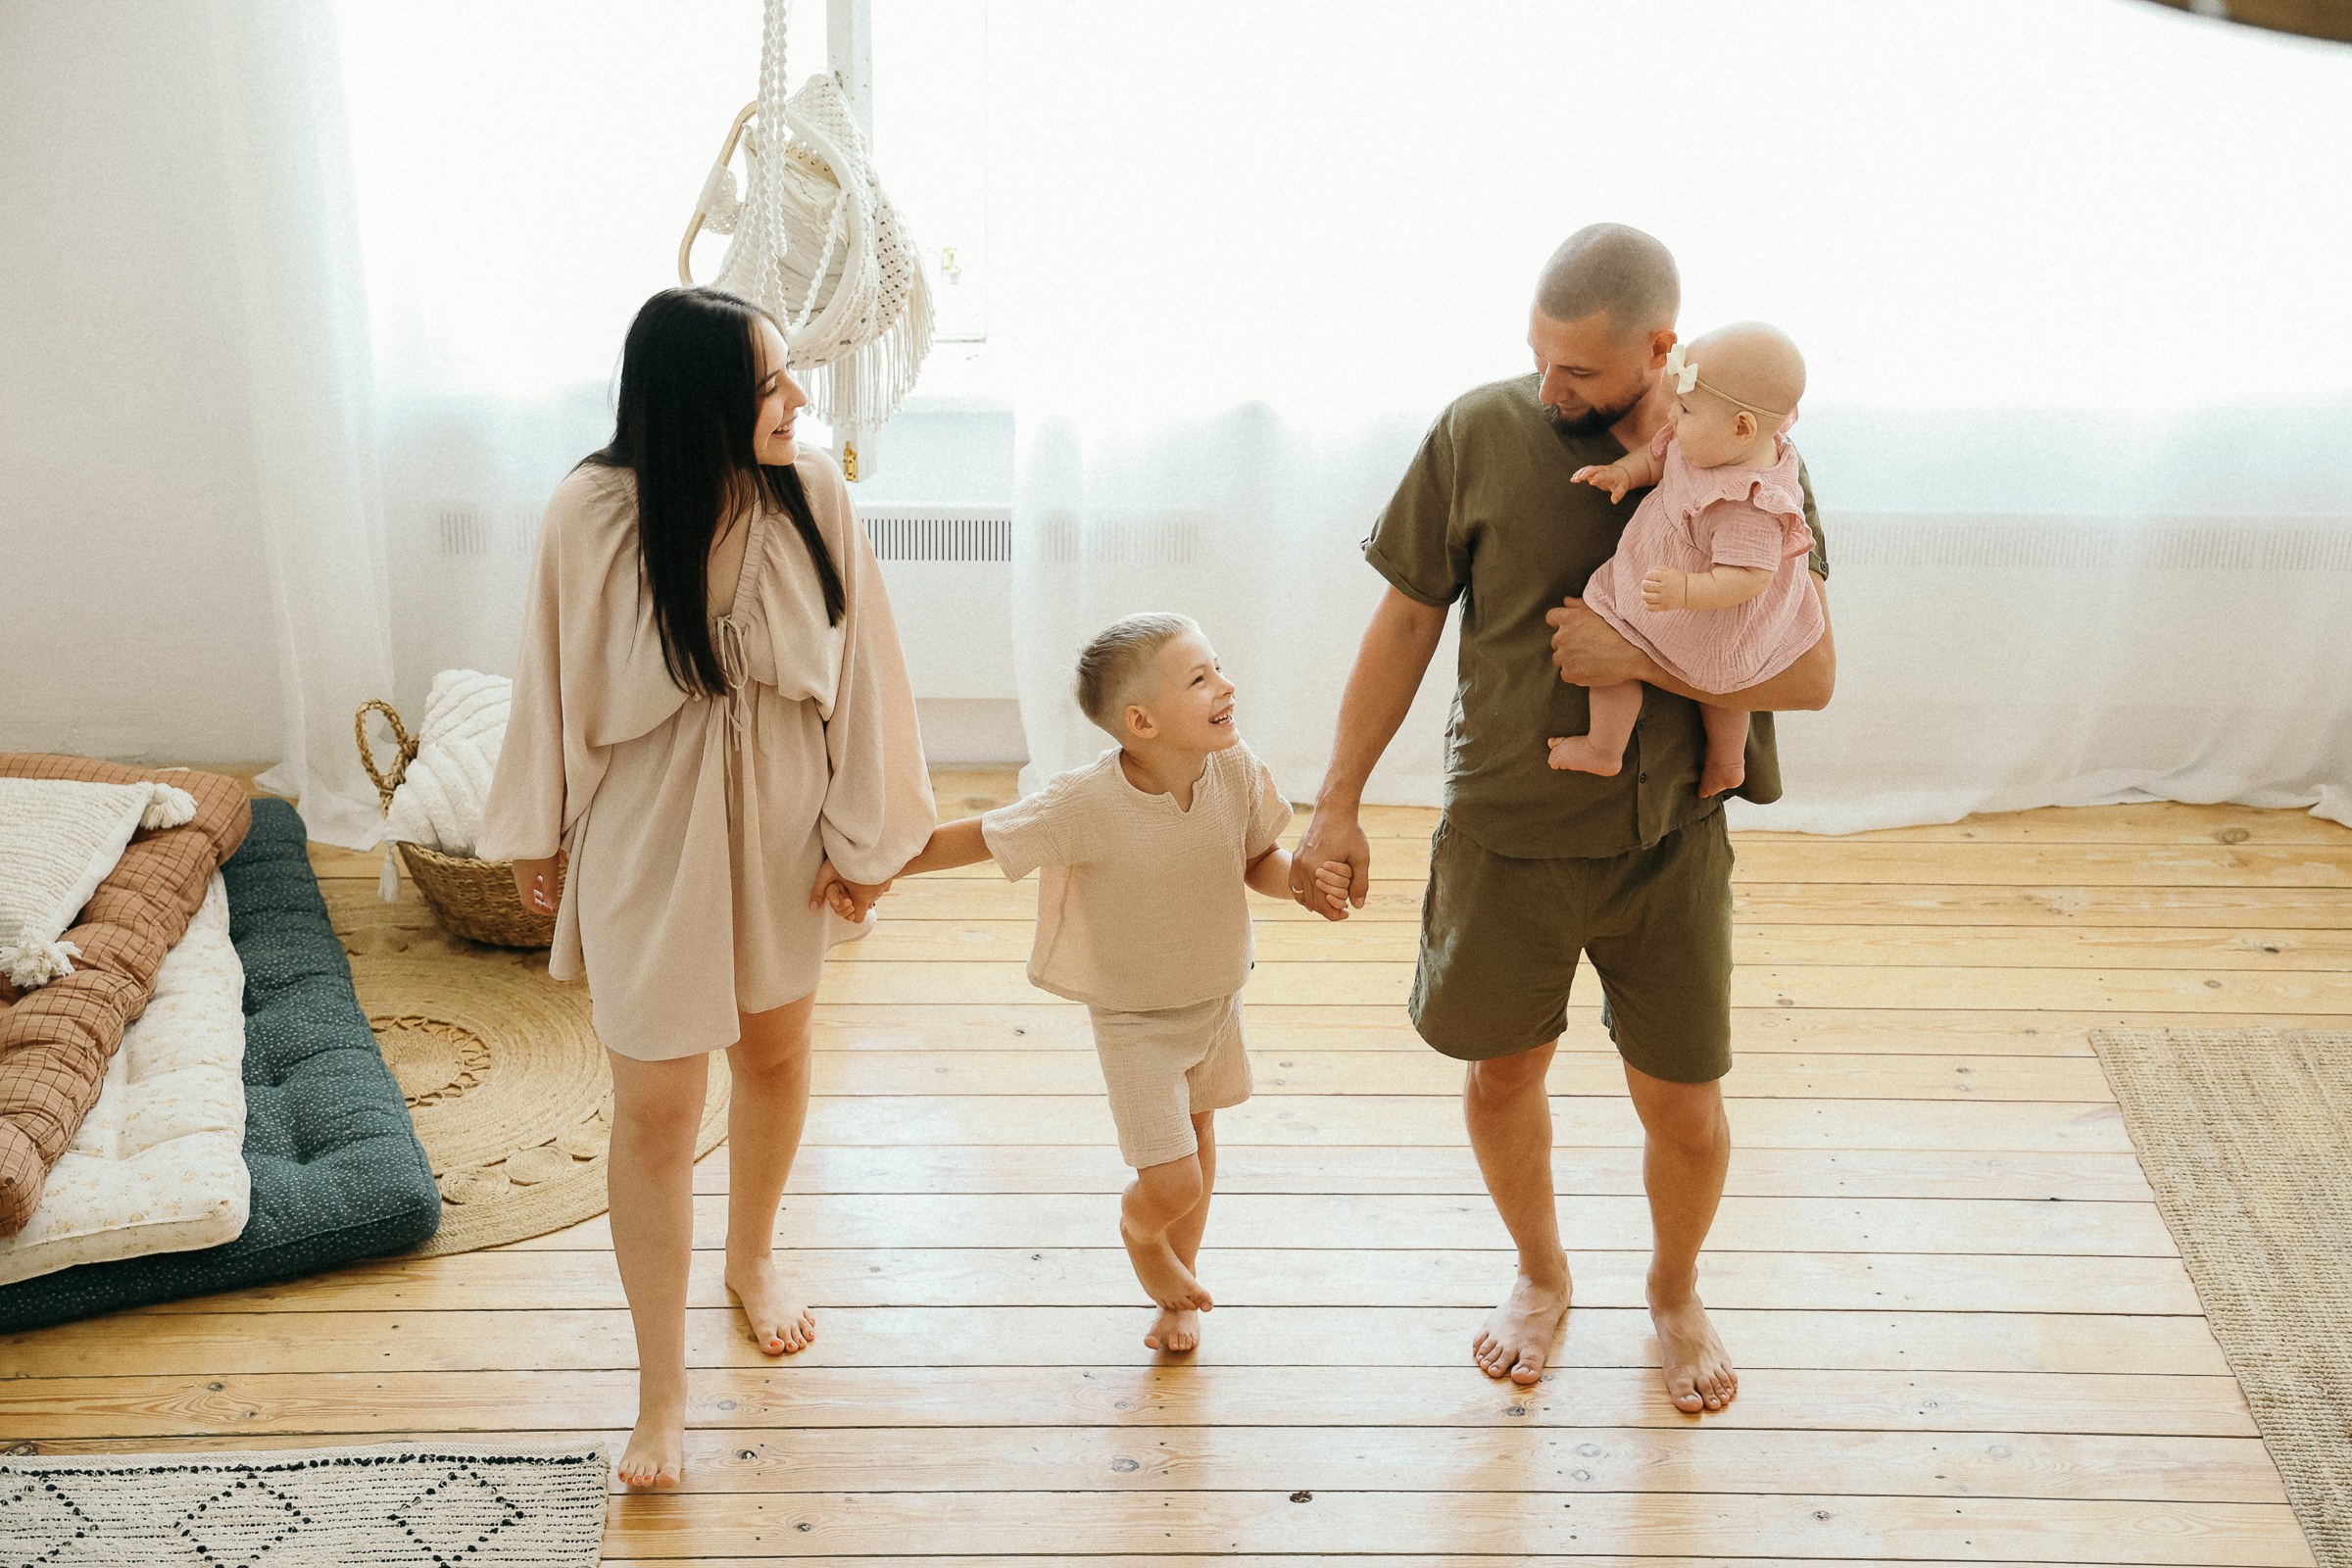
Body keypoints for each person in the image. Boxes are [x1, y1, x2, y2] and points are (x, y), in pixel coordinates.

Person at [1288, 224, 1836, 1412]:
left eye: (1580, 372)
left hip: (1669, 844)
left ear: (1662, 350)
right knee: (1500, 1076)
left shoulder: (1754, 457)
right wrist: (1336, 803)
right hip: (1507, 829)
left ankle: (1675, 1290)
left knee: (1684, 1105)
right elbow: (1404, 625)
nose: (1552, 390)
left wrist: (1637, 655)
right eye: (1540, 360)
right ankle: (1540, 1275)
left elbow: (1807, 672)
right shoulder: (1478, 432)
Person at [477, 286, 933, 1489]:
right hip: (647, 834)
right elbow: (548, 664)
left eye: (789, 376)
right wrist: (540, 826)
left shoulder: (817, 496)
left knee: (777, 1055)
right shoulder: (591, 511)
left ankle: (754, 1255)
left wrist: (860, 836)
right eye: (769, 383)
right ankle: (661, 1392)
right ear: (694, 403)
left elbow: (870, 676)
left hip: (785, 824)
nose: (797, 401)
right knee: (659, 1107)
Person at [868, 613, 1349, 1354]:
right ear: (1141, 721)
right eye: (1201, 678)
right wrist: (869, 870)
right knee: (1170, 1183)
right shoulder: (1086, 804)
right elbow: (982, 835)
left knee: (1199, 1136)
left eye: (1217, 667)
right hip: (1136, 1024)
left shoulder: (1235, 767)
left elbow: (1258, 859)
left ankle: (1179, 1290)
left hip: (1216, 998)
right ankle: (1141, 1234)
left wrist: (1302, 883)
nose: (1227, 685)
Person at [1548, 321, 1824, 800]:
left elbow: (1750, 577)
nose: (1671, 416)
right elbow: (1660, 461)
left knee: (1691, 673)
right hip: (1681, 589)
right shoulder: (1708, 442)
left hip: (1708, 610)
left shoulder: (1750, 505)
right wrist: (1623, 473)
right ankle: (1727, 762)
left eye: (1685, 407)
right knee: (1719, 680)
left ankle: (1605, 747)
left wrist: (1686, 591)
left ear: (1743, 427)